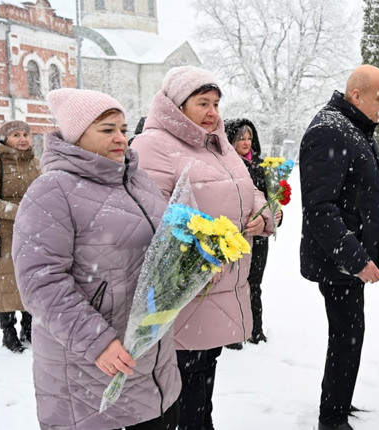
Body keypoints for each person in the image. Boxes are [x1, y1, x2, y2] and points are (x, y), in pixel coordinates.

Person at [11, 88, 181, 429]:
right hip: (90, 369)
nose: (121, 138)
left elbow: (162, 245)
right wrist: (96, 340)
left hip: (152, 362)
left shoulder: (138, 180)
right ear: (77, 135)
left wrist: (192, 264)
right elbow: (40, 282)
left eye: (123, 128)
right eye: (107, 130)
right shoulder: (53, 190)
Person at [134, 66, 273, 430]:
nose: (213, 113)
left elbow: (251, 191)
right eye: (202, 103)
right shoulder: (152, 146)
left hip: (222, 286)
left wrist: (263, 215)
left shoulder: (220, 145)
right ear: (176, 105)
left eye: (216, 103)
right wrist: (203, 243)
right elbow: (151, 217)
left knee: (202, 379)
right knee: (180, 389)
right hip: (186, 289)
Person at [299, 64, 379, 430]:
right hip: (338, 263)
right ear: (357, 95)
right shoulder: (330, 131)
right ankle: (332, 418)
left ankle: (339, 402)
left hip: (349, 260)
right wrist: (356, 259)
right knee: (346, 338)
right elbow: (320, 209)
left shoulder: (354, 127)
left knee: (349, 336)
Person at [0, 120, 40, 354]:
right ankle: (9, 333)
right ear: (4, 139)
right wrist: (16, 211)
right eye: (16, 135)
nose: (23, 139)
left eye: (26, 134)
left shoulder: (35, 162)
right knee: (6, 283)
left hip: (34, 232)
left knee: (30, 279)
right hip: (4, 234)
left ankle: (29, 328)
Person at [224, 118, 283, 347]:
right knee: (234, 283)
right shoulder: (226, 166)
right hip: (234, 238)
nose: (247, 142)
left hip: (258, 239)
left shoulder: (263, 167)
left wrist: (276, 216)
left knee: (254, 283)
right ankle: (234, 333)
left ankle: (254, 329)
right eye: (241, 138)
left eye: (250, 138)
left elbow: (272, 201)